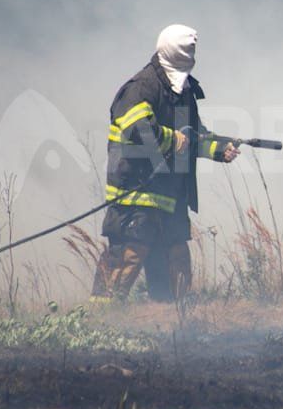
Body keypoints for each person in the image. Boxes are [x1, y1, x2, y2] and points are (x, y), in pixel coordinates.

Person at [92, 24, 240, 303]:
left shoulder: (182, 91)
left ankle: (171, 331)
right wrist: (173, 139)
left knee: (177, 269)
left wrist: (220, 149)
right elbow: (138, 130)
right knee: (123, 265)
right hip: (135, 195)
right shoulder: (141, 88)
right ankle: (98, 328)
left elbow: (192, 136)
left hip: (169, 197)